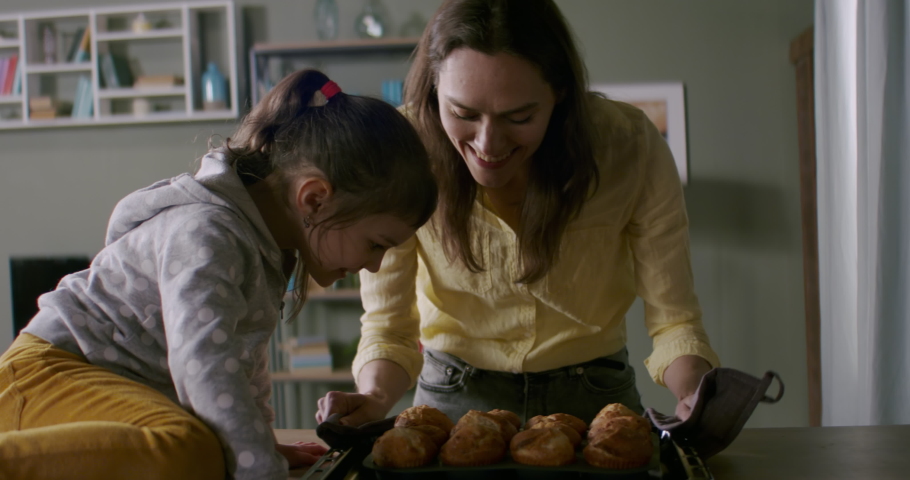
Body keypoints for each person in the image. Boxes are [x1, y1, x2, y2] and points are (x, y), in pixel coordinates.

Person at [0, 69, 438, 480]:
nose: (375, 265)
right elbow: (205, 369)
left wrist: (260, 446)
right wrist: (257, 468)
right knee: (189, 449)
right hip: (47, 376)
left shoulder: (260, 245)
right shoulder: (207, 234)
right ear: (315, 198)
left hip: (105, 392)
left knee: (205, 452)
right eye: (376, 243)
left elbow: (241, 365)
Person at [316, 0, 720, 428]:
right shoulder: (402, 152)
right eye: (463, 114)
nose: (488, 145)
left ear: (560, 93)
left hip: (596, 396)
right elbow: (389, 327)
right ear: (434, 89)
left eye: (520, 117)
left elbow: (674, 317)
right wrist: (374, 397)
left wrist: (695, 393)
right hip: (454, 395)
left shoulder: (628, 146)